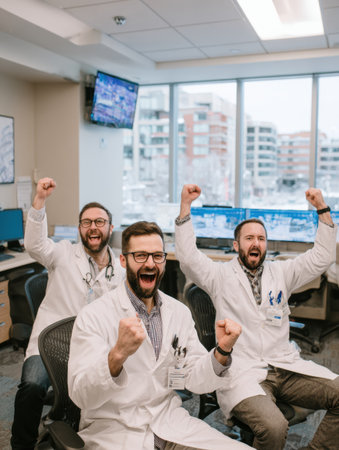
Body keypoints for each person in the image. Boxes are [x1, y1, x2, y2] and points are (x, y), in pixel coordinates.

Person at [175, 184, 339, 450]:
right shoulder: (219, 276)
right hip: (244, 372)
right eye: (249, 238)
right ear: (236, 244)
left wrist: (322, 208)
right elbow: (188, 258)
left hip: (285, 367)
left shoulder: (282, 273)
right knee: (274, 427)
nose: (256, 243)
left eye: (261, 239)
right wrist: (185, 207)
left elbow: (323, 258)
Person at [68, 221, 250, 450]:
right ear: (123, 261)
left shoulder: (179, 312)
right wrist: (117, 355)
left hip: (169, 423)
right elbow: (81, 396)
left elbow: (194, 378)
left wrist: (222, 351)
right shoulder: (93, 316)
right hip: (116, 431)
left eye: (157, 256)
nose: (151, 264)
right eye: (141, 256)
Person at [11, 177, 124, 450]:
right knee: (33, 386)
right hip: (49, 343)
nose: (93, 227)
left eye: (99, 222)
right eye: (87, 222)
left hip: (93, 346)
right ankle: (21, 444)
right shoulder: (62, 253)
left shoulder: (120, 269)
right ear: (79, 229)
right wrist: (40, 201)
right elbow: (35, 245)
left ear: (110, 228)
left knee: (108, 390)